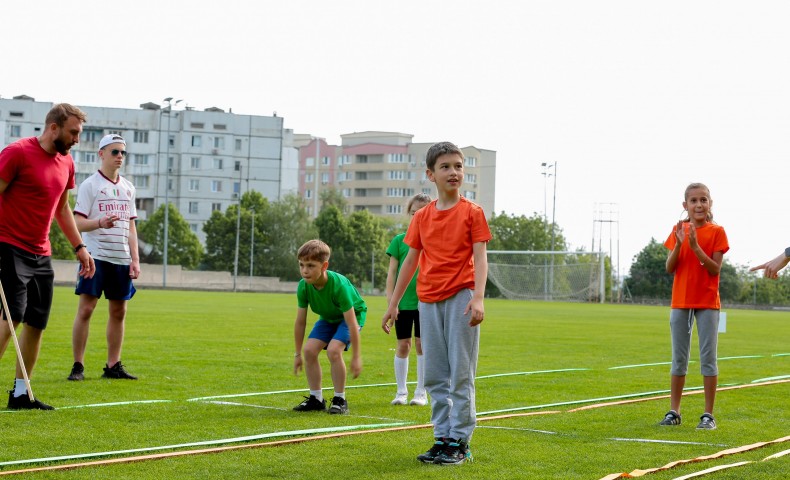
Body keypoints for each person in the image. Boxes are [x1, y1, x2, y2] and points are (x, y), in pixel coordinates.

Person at [382, 141, 491, 465]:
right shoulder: (422, 218)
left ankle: (460, 441)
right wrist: (394, 303)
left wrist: (479, 297)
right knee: (434, 375)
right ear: (431, 174)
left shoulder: (473, 213)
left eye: (458, 166)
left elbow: (481, 258)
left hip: (461, 298)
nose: (453, 172)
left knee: (460, 373)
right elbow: (410, 261)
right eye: (445, 167)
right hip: (428, 301)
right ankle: (442, 438)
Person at [0, 103, 96, 410]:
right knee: (11, 316)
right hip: (9, 245)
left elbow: (62, 208)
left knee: (36, 323)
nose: (77, 139)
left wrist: (80, 247)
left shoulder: (66, 163)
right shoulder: (16, 153)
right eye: (73, 132)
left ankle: (20, 393)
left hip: (41, 254)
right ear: (53, 127)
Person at [68, 134, 140, 382]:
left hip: (121, 258)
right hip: (95, 257)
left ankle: (113, 365)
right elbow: (77, 222)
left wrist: (135, 259)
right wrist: (99, 222)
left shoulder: (129, 188)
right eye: (114, 152)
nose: (120, 156)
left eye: (123, 152)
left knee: (119, 311)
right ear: (101, 154)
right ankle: (78, 365)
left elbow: (131, 227)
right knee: (86, 309)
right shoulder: (90, 185)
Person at [660, 182, 729, 430]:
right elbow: (669, 268)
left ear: (710, 204)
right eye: (693, 201)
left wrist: (696, 246)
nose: (698, 205)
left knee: (708, 359)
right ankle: (674, 411)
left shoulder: (717, 232)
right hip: (680, 301)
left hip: (708, 304)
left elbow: (715, 269)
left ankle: (708, 415)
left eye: (703, 200)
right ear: (685, 205)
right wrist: (680, 244)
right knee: (679, 359)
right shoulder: (678, 229)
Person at [292, 239, 366, 415]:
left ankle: (340, 399)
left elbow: (351, 323)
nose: (304, 270)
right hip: (328, 317)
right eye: (301, 265)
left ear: (324, 266)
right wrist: (297, 354)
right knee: (309, 350)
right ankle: (316, 399)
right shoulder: (303, 286)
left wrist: (356, 356)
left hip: (351, 317)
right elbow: (300, 321)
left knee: (334, 350)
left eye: (310, 265)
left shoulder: (338, 285)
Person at [382, 193, 432, 406]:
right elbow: (392, 273)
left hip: (427, 303)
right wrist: (391, 302)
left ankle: (421, 392)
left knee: (422, 345)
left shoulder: (433, 242)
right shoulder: (399, 241)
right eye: (414, 213)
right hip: (403, 303)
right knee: (403, 345)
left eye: (422, 213)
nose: (417, 217)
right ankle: (401, 392)